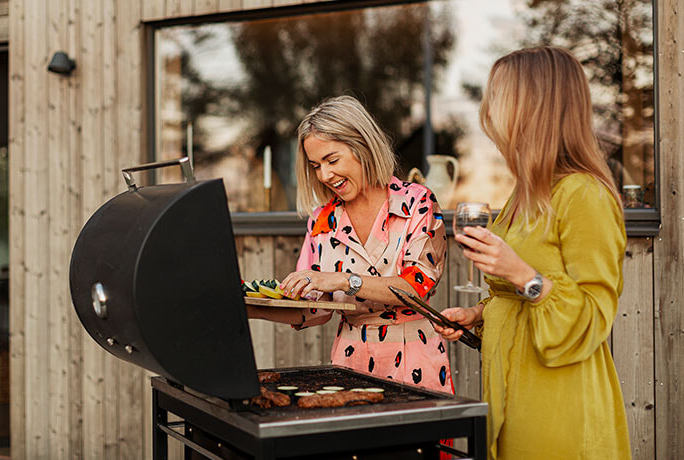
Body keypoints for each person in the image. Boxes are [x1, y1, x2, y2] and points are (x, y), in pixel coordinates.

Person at [435, 47, 632, 459]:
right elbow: (519, 298)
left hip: (559, 405)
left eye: (500, 96)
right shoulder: (525, 196)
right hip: (512, 395)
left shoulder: (584, 194)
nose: (490, 108)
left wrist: (523, 275)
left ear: (534, 107)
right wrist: (479, 315)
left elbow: (595, 316)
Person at [246, 95, 453, 393]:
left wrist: (343, 281)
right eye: (316, 165)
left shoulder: (417, 202)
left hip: (414, 360)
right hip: (348, 364)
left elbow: (416, 287)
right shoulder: (322, 220)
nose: (325, 175)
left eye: (332, 160)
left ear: (363, 147)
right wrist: (248, 307)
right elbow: (313, 309)